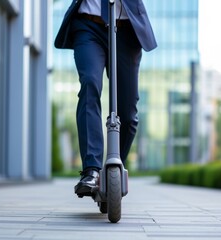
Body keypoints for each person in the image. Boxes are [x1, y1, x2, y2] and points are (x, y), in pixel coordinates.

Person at [54, 0, 157, 197]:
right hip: (88, 26)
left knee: (127, 112)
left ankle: (113, 169)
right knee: (90, 84)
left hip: (127, 29)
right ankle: (91, 170)